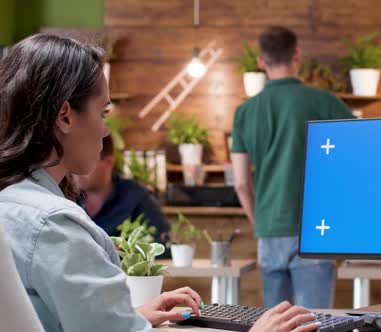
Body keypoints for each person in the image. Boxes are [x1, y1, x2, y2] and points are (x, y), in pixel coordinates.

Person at [0, 33, 319, 332]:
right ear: (65, 116)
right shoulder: (56, 227)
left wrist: (130, 318)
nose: (106, 131)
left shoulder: (11, 203)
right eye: (103, 113)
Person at [231, 26, 355, 309]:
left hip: (268, 232)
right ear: (297, 54)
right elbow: (361, 151)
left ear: (261, 61)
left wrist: (260, 221)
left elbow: (240, 183)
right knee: (315, 321)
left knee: (277, 322)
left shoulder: (245, 112)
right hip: (314, 232)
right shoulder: (322, 102)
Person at [75, 135, 170, 247]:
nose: (76, 169)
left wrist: (122, 252)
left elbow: (164, 244)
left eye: (84, 161)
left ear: (108, 162)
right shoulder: (65, 198)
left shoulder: (135, 197)